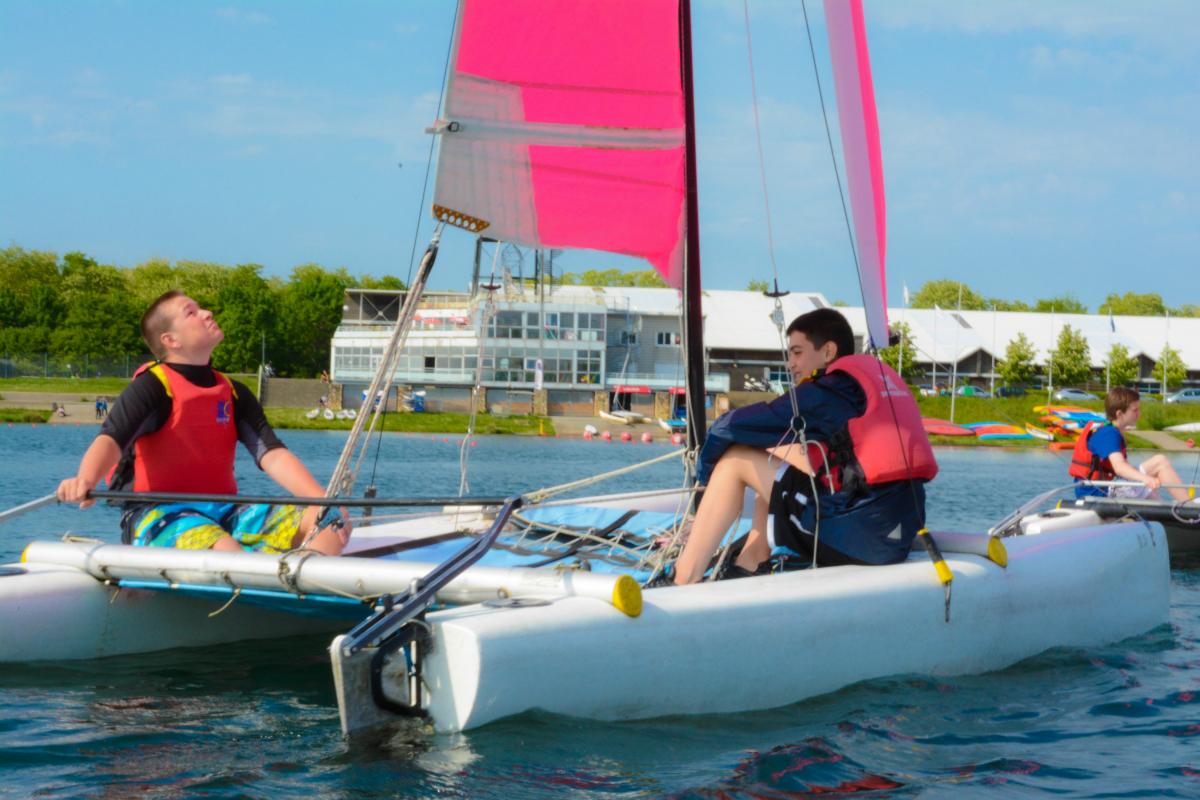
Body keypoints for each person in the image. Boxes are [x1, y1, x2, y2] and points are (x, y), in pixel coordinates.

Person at [56, 290, 350, 555]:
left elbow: (272, 455)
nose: (207, 313)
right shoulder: (151, 387)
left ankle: (303, 581)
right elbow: (111, 439)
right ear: (171, 340)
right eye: (191, 312)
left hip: (225, 512)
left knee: (333, 520)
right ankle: (258, 575)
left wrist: (322, 501)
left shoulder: (234, 392)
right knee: (224, 547)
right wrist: (86, 479)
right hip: (158, 515)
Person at [667, 308, 937, 585]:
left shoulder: (828, 392)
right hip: (895, 536)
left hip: (857, 537)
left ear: (828, 351)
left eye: (797, 352)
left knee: (735, 461)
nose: (790, 364)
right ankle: (749, 563)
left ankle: (683, 579)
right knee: (775, 455)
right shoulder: (870, 385)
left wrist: (705, 482)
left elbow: (727, 427)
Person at [1070, 386, 1190, 501]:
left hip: (1103, 488)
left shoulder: (1111, 431)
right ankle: (1188, 507)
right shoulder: (1109, 433)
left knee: (1156, 466)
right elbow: (1119, 468)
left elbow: (1125, 469)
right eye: (1135, 410)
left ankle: (1171, 510)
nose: (1139, 414)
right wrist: (1145, 479)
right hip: (1097, 493)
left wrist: (1144, 480)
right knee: (1160, 464)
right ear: (1119, 414)